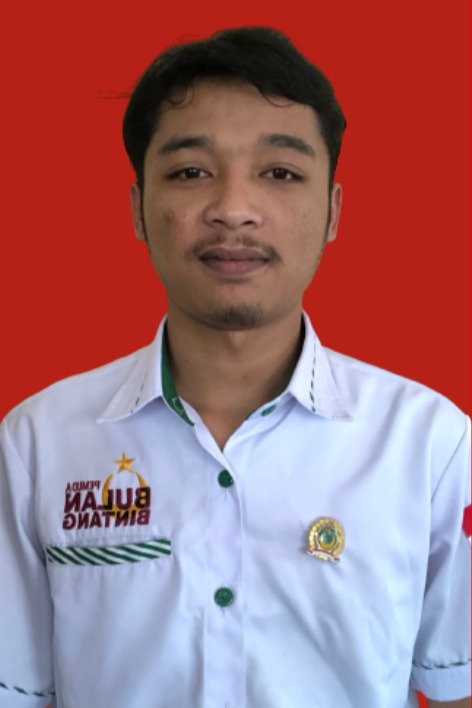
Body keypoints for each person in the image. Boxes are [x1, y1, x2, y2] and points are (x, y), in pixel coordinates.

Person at [0, 26, 469, 708]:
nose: (234, 211)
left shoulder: (430, 444)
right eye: (192, 172)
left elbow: (458, 687)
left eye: (280, 174)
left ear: (333, 211)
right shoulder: (39, 443)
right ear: (138, 208)